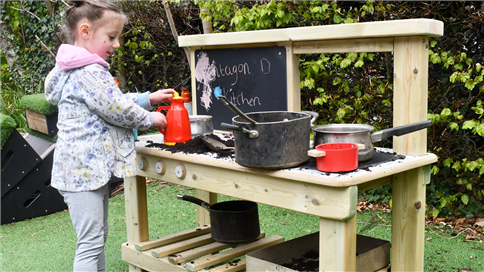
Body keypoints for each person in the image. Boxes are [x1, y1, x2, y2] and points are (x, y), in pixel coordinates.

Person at [44, 1, 174, 271]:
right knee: (91, 242)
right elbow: (116, 109)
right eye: (111, 37)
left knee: (96, 237)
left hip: (84, 172)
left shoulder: (72, 68)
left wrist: (146, 98)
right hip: (83, 173)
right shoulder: (90, 71)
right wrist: (151, 117)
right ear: (85, 31)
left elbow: (109, 99)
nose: (116, 45)